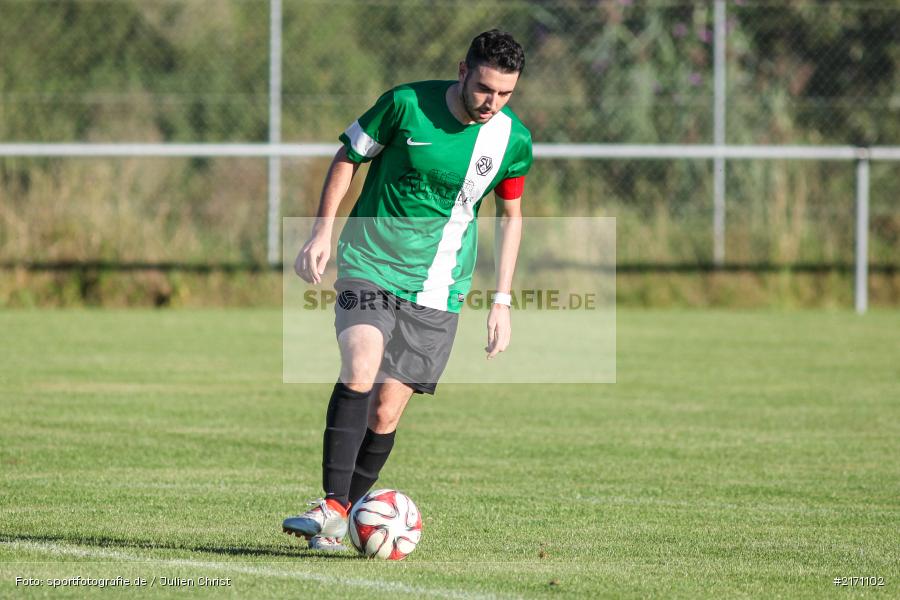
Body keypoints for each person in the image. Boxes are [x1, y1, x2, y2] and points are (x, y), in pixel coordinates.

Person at [283, 29, 532, 551]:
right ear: (463, 71)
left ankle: (343, 519)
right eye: (485, 87)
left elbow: (512, 217)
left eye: (505, 93)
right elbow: (348, 156)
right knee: (360, 362)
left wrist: (502, 300)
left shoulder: (512, 140)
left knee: (385, 412)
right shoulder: (404, 104)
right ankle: (332, 503)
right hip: (369, 262)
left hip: (440, 288)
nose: (493, 102)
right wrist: (321, 230)